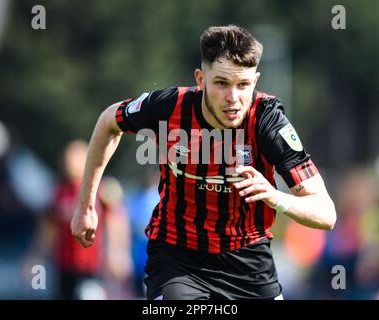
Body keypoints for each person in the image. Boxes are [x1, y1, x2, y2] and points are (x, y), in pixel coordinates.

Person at [71, 25, 336, 300]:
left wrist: (275, 197)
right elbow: (108, 122)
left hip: (248, 263)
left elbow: (326, 213)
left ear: (255, 81)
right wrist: (85, 205)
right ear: (201, 79)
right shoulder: (168, 106)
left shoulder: (268, 121)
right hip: (177, 258)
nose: (233, 98)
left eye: (243, 85)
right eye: (221, 83)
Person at [25, 140, 133, 299]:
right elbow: (48, 230)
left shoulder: (102, 189)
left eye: (74, 158)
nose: (69, 163)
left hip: (93, 268)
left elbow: (117, 222)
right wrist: (35, 257)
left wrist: (118, 253)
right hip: (64, 266)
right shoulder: (58, 193)